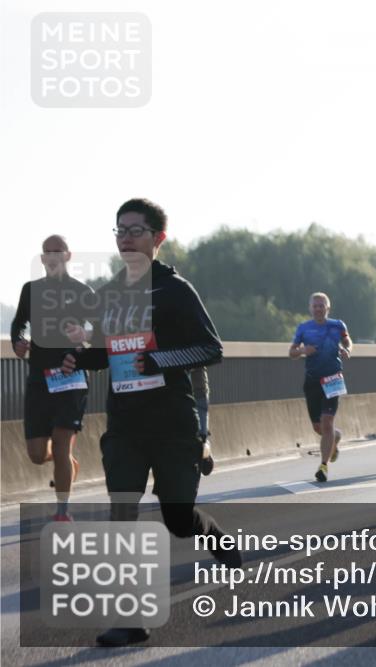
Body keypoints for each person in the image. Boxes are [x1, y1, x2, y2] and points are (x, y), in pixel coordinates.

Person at [60, 198, 239, 647]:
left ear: (158, 239)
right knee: (122, 511)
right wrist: (80, 358)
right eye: (119, 230)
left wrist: (157, 359)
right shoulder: (110, 293)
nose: (126, 238)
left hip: (173, 421)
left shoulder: (176, 290)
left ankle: (211, 535)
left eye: (136, 230)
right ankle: (130, 618)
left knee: (177, 517)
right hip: (125, 423)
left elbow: (211, 349)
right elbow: (108, 352)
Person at [11, 235, 93, 521]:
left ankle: (62, 511)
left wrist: (86, 336)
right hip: (39, 378)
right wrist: (18, 342)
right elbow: (19, 324)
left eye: (58, 251)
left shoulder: (81, 291)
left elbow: (101, 328)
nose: (53, 256)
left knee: (60, 441)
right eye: (48, 252)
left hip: (70, 377)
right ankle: (66, 462)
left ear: (68, 255)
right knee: (36, 454)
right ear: (43, 258)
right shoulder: (31, 290)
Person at [289, 293, 350, 483]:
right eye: (315, 306)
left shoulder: (338, 325)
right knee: (319, 427)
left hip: (333, 378)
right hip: (312, 380)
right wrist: (302, 351)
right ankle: (335, 438)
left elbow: (347, 341)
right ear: (310, 308)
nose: (318, 309)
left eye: (321, 305)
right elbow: (292, 352)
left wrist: (347, 349)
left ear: (328, 308)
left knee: (327, 421)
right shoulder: (303, 328)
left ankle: (323, 466)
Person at [190, 367, 214, 475]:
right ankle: (204, 448)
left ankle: (204, 448)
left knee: (201, 433)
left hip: (195, 390)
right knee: (202, 433)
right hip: (198, 389)